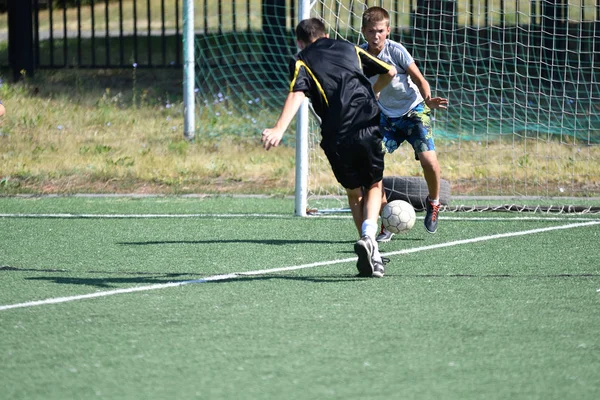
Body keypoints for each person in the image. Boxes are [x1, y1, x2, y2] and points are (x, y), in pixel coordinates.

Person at [261, 18, 397, 278]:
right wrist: (372, 92)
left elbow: (297, 93)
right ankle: (370, 238)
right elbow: (389, 72)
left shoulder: (301, 59)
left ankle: (374, 254)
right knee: (375, 185)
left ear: (300, 41)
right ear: (326, 34)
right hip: (367, 124)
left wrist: (279, 128)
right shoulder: (350, 48)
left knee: (353, 191)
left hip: (336, 134)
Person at [360, 6, 449, 241]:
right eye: (371, 31)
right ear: (363, 32)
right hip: (384, 118)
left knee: (429, 161)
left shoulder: (396, 51)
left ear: (388, 30)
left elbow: (420, 80)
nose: (376, 36)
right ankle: (387, 221)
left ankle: (434, 203)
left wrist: (428, 100)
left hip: (413, 111)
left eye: (380, 30)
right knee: (370, 166)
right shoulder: (359, 56)